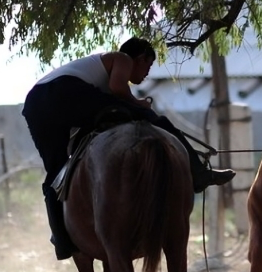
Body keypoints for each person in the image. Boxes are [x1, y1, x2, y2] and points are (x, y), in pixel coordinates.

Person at [22, 36, 235, 260]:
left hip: (36, 105)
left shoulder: (95, 72)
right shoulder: (122, 58)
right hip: (63, 91)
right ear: (140, 57)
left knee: (56, 173)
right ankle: (198, 173)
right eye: (148, 65)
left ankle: (62, 239)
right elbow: (117, 88)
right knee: (155, 119)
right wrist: (139, 104)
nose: (146, 74)